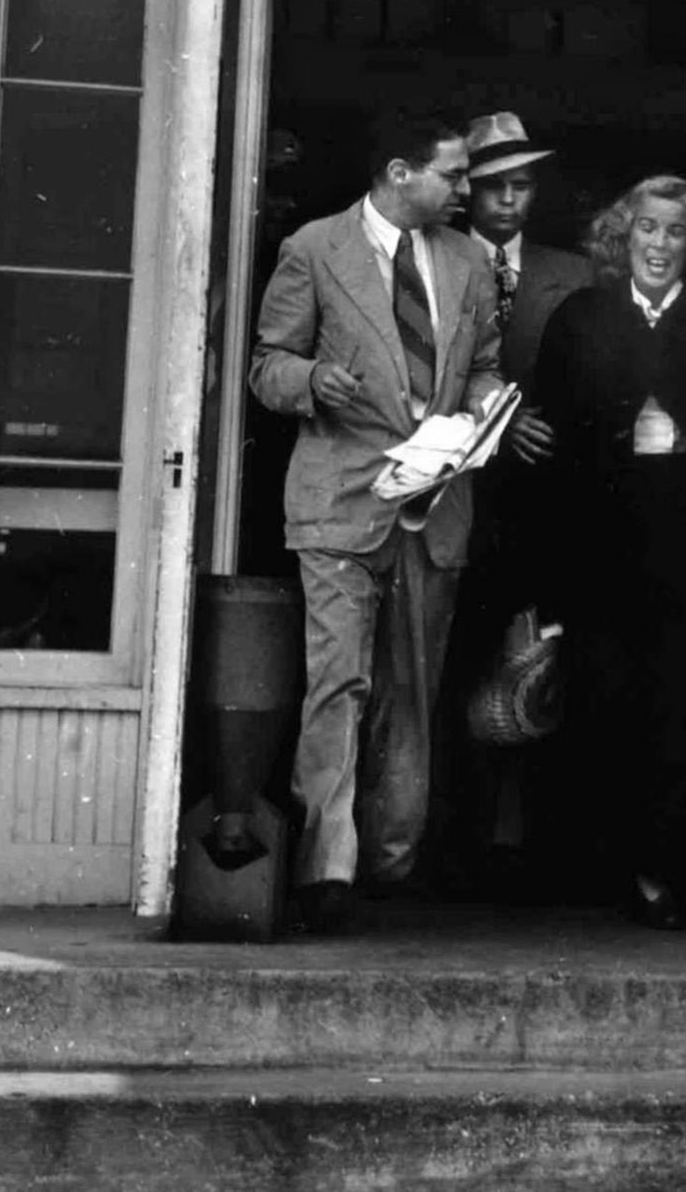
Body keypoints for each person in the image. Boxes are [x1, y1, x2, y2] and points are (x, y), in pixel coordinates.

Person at [248, 113, 504, 934]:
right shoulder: (314, 249)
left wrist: (480, 411)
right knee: (339, 684)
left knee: (415, 691)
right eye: (455, 175)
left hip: (435, 503)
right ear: (400, 172)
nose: (468, 190)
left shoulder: (469, 261)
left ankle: (393, 859)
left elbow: (487, 364)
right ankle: (328, 866)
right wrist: (314, 378)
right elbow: (266, 365)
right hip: (339, 499)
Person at [534, 175, 686, 929]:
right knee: (612, 700)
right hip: (605, 543)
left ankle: (677, 863)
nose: (659, 246)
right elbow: (552, 441)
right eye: (646, 231)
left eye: (675, 232)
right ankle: (628, 868)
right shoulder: (581, 315)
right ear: (622, 238)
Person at [433, 110, 591, 894]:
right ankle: (453, 840)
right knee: (456, 664)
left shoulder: (574, 272)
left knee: (538, 666)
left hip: (543, 502)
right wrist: (494, 425)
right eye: (492, 185)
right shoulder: (437, 260)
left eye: (521, 184)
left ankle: (528, 845)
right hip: (457, 495)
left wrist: (546, 425)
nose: (506, 200)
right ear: (467, 190)